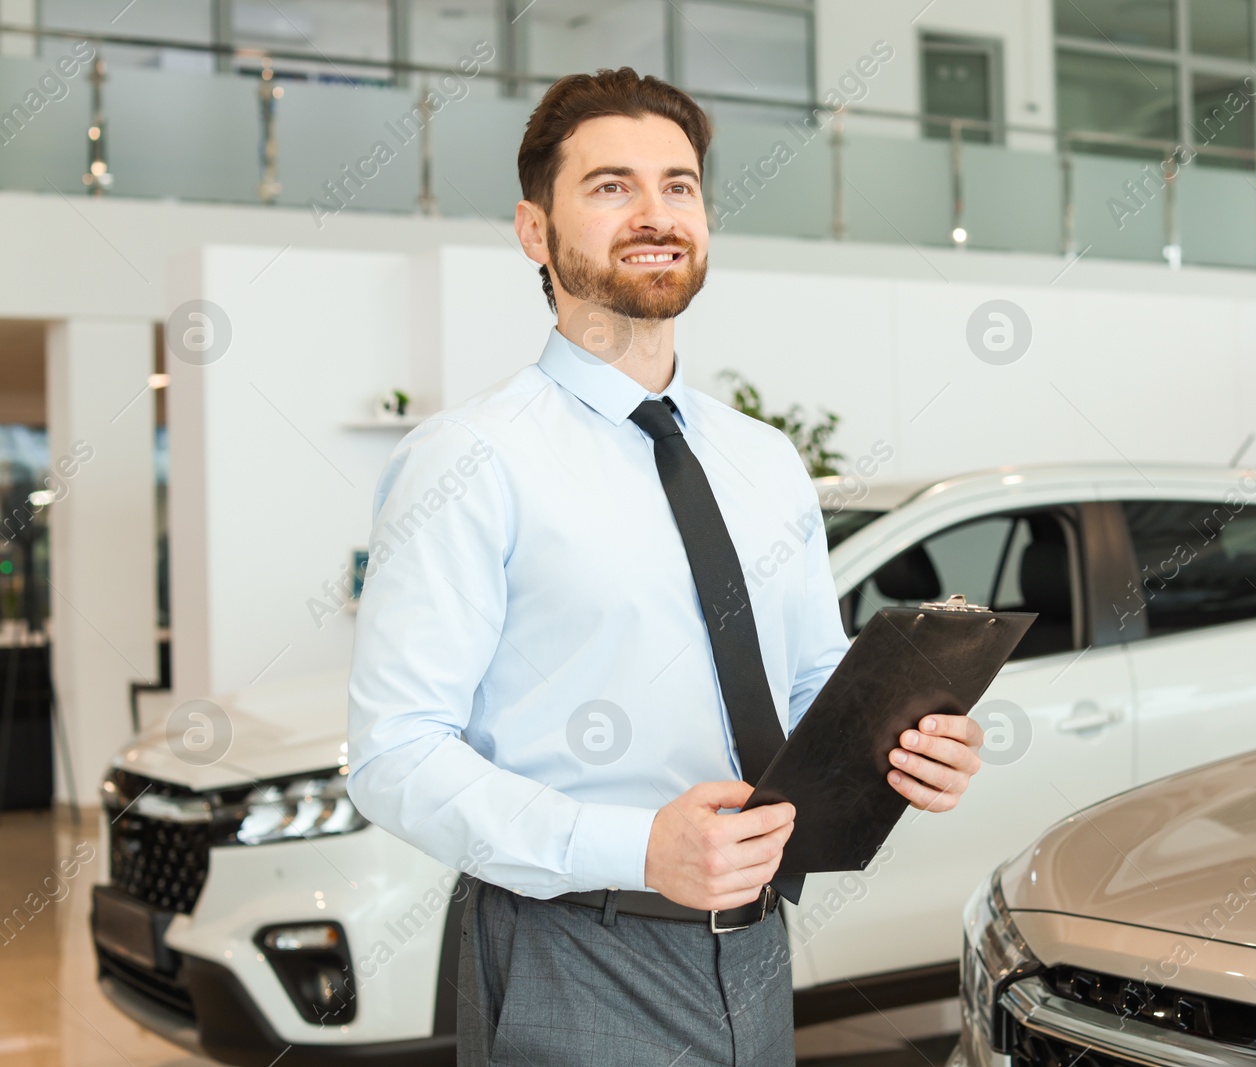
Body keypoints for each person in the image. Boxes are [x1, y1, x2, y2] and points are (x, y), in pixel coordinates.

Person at [345, 67, 984, 1066]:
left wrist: (906, 744)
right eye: (610, 186)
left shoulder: (762, 457)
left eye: (678, 185)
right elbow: (394, 755)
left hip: (758, 944)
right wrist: (631, 847)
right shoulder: (469, 458)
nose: (654, 212)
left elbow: (811, 680)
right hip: (571, 943)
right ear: (531, 231)